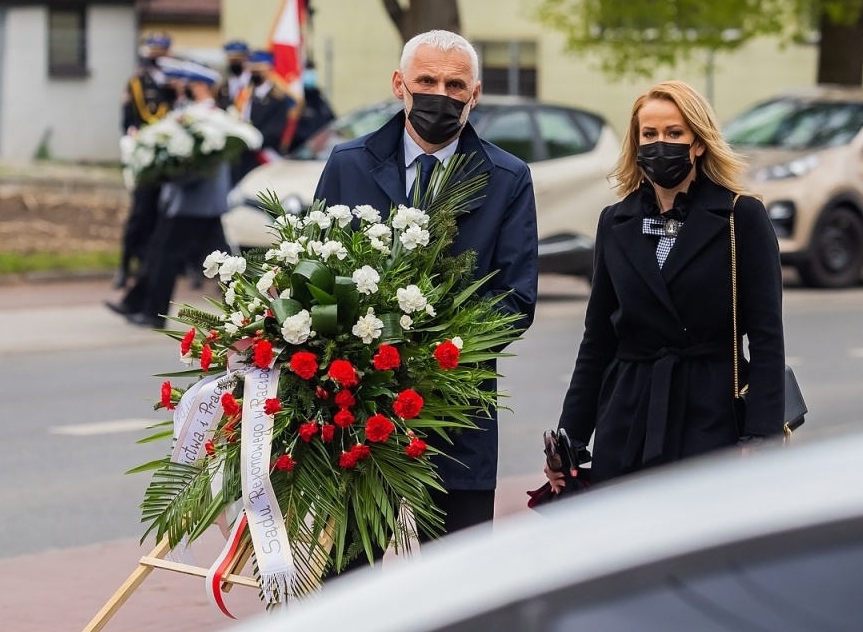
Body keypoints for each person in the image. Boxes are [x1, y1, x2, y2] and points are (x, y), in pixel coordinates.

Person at [316, 29, 539, 546]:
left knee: (455, 575)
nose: (441, 94)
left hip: (455, 410)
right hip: (357, 405)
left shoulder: (506, 178)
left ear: (474, 94)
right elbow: (317, 271)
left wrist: (429, 352)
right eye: (427, 81)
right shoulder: (349, 163)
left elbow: (515, 300)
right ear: (400, 84)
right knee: (352, 572)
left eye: (455, 85)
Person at [544, 80, 785, 494]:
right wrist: (571, 438)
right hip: (627, 413)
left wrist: (762, 434)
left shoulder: (741, 217)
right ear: (636, 143)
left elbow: (766, 338)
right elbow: (598, 340)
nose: (661, 144)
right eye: (649, 134)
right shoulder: (614, 221)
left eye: (674, 133)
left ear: (698, 143)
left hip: (711, 412)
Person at [109, 62, 231, 328]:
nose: (179, 88)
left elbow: (203, 161)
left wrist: (173, 175)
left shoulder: (210, 117)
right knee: (164, 253)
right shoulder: (192, 113)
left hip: (196, 201)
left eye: (186, 84)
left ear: (201, 86)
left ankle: (152, 312)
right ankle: (137, 303)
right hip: (184, 200)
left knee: (170, 257)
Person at [115, 33, 177, 291]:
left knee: (163, 216)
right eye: (154, 53)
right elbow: (129, 119)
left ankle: (151, 266)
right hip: (145, 159)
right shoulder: (137, 83)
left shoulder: (174, 84)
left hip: (169, 159)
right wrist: (132, 133)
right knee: (140, 214)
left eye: (162, 53)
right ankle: (125, 266)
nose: (157, 58)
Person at [233, 49, 294, 180]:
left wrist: (251, 139)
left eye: (259, 70)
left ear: (269, 70)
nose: (255, 73)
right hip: (243, 157)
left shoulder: (278, 97)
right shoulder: (244, 95)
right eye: (253, 69)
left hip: (264, 155)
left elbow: (275, 128)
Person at [289, 60, 335, 152]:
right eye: (307, 70)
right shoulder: (295, 98)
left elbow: (333, 121)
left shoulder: (318, 96)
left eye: (312, 70)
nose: (311, 74)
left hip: (323, 150)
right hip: (300, 152)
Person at [219, 40, 250, 109]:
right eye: (232, 59)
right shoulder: (224, 84)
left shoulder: (251, 82)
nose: (235, 62)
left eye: (237, 59)